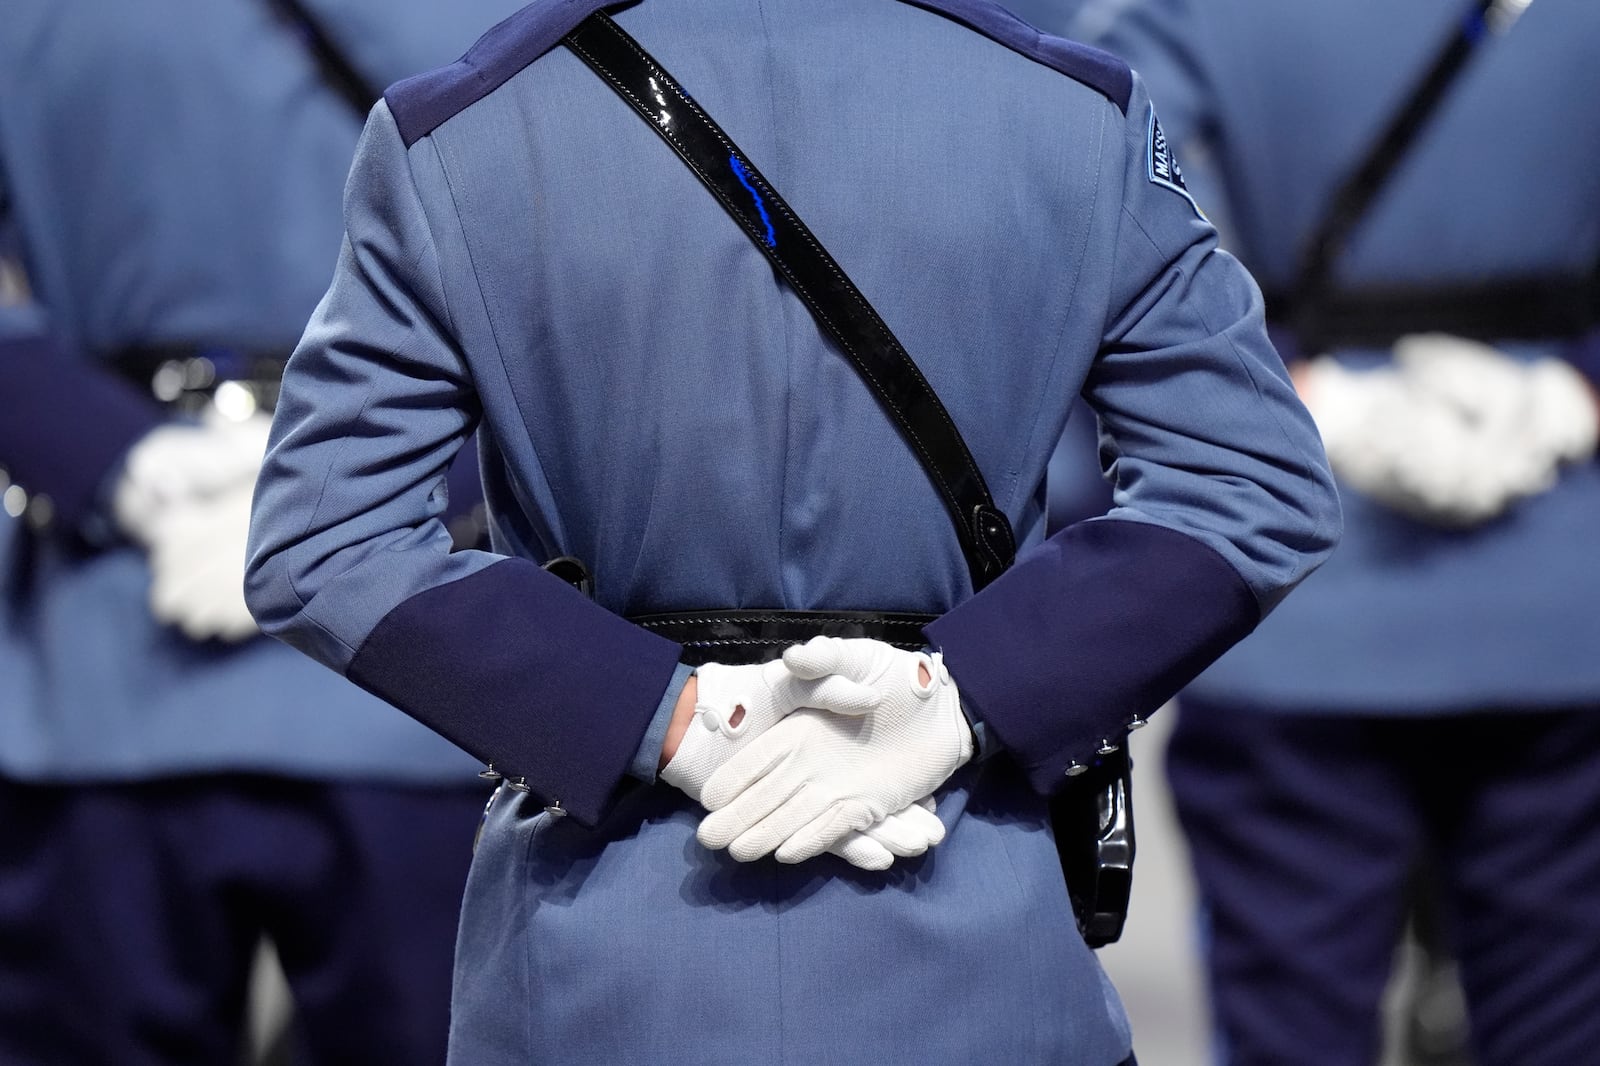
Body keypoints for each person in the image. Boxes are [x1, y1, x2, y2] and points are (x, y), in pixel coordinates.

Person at [244, 0, 1341, 1061]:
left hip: (599, 976)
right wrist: (964, 693)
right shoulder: (1072, 113)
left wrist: (666, 715)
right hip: (976, 944)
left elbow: (325, 534)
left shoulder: (463, 132)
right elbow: (1251, 476)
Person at [1068, 1, 1600, 1063]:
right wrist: (1573, 390)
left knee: (1287, 1034)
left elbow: (1113, 232)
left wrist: (1309, 399)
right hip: (1565, 602)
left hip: (1286, 606)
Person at [0, 2, 524, 1062]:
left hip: (109, 662)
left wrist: (126, 467)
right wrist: (354, 493)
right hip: (422, 660)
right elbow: (584, 292)